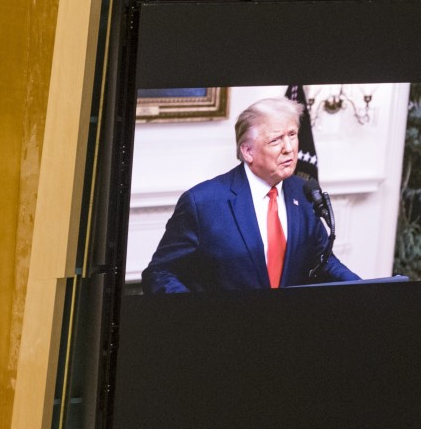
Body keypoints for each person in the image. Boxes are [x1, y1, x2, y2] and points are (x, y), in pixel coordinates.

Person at [142, 97, 362, 294]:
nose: (289, 148)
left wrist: (366, 290)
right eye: (276, 140)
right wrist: (201, 316)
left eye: (292, 135)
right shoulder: (202, 203)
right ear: (248, 151)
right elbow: (160, 273)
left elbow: (324, 261)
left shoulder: (303, 192)